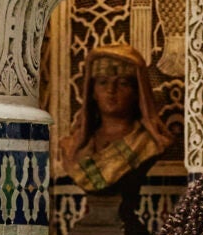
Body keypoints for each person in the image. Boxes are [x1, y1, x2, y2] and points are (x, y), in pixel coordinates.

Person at [68, 42, 179, 195]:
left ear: (136, 93)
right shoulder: (72, 145)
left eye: (122, 83)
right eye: (102, 82)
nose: (111, 90)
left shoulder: (147, 143)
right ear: (92, 92)